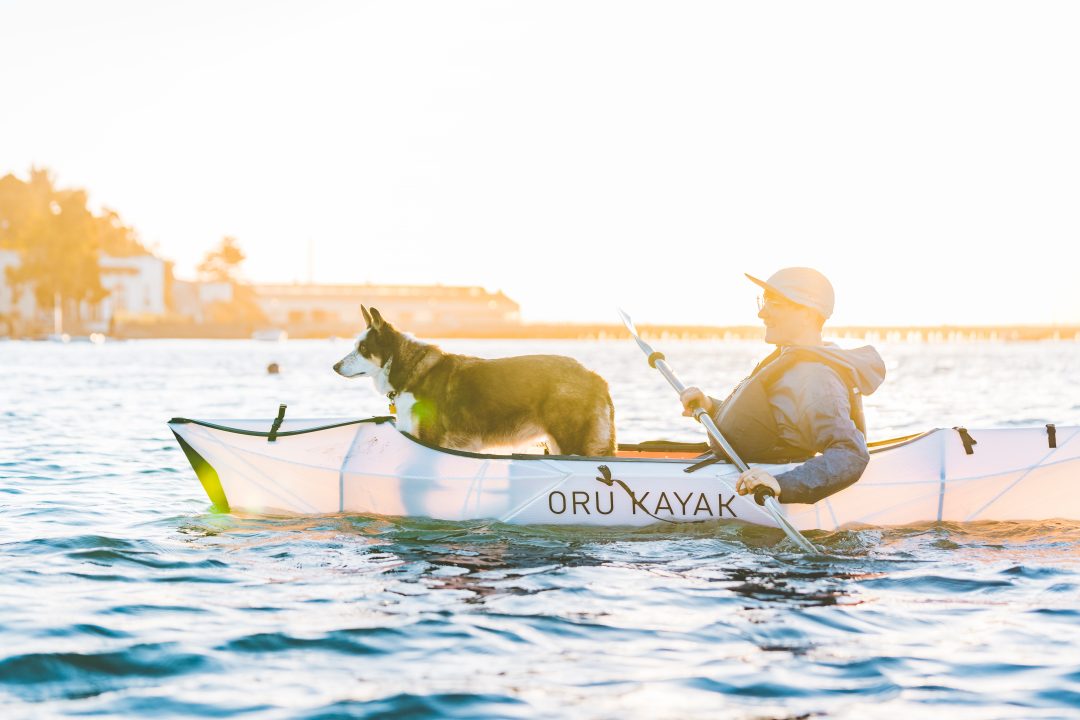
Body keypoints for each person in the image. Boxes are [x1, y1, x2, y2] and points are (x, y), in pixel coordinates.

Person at [680, 267, 885, 504]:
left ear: (807, 314)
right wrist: (709, 406)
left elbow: (851, 453)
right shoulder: (788, 360)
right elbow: (769, 423)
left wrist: (781, 484)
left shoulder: (817, 378)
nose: (762, 313)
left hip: (770, 486)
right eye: (763, 301)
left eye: (774, 303)